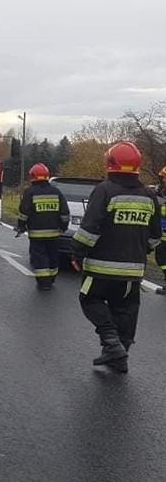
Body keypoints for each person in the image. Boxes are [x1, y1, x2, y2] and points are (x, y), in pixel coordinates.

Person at [70, 142, 161, 373]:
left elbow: (90, 228)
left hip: (101, 267)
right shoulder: (149, 195)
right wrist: (141, 250)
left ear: (110, 163)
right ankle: (121, 356)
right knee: (126, 309)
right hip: (133, 271)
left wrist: (77, 251)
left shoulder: (104, 190)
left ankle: (111, 342)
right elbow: (155, 237)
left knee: (89, 299)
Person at [16, 163, 70, 290]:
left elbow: (24, 212)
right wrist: (63, 226)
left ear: (32, 177)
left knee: (39, 257)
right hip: (54, 234)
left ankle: (43, 282)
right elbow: (65, 213)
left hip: (37, 234)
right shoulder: (56, 192)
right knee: (53, 256)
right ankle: (51, 279)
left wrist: (21, 226)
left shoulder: (30, 193)